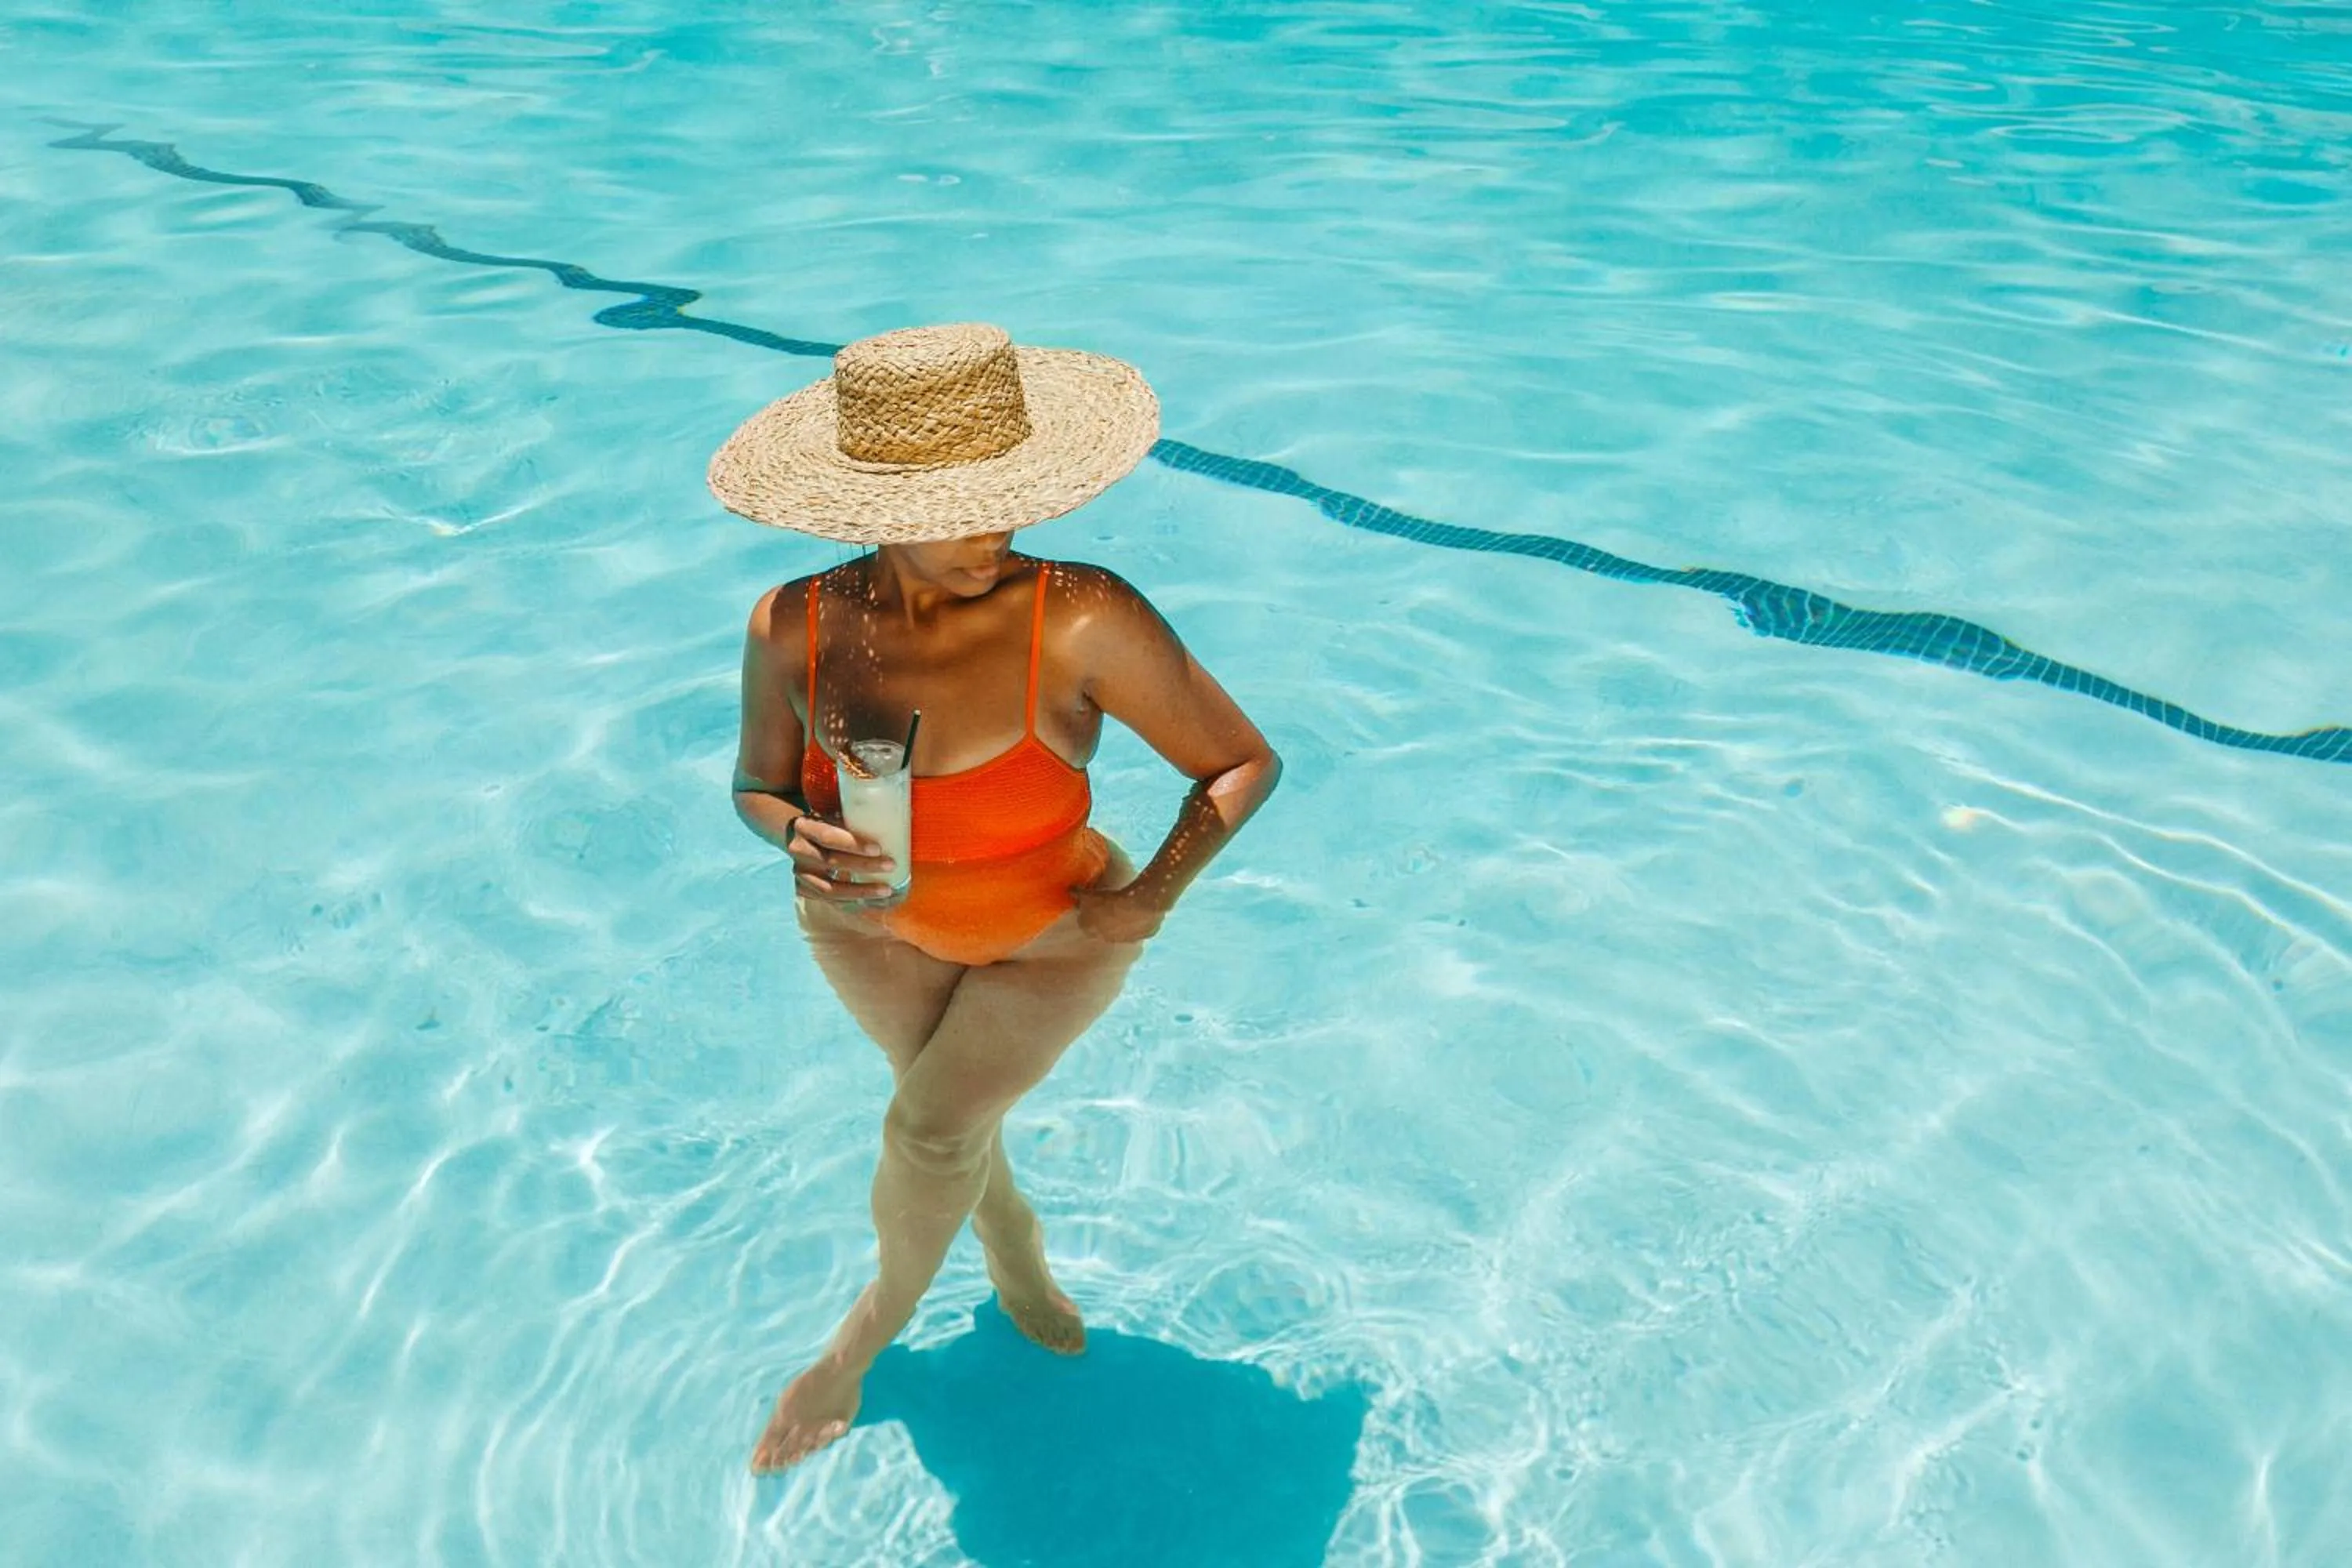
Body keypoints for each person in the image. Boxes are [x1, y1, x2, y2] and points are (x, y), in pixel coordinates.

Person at [712, 323, 1281, 1472]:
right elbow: (754, 788)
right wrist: (804, 838)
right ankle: (1011, 1237)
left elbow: (1239, 763)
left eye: (1009, 496)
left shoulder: (1077, 615)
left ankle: (862, 1343)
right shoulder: (794, 626)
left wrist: (1148, 901)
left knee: (926, 1130)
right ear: (874, 501)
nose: (1000, 528)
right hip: (868, 926)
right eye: (965, 505)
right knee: (948, 1114)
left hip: (1051, 933)